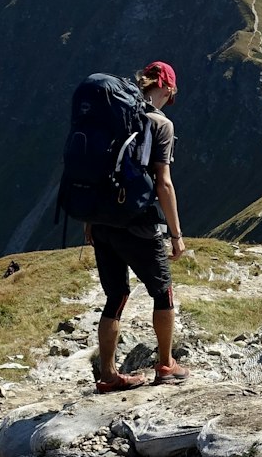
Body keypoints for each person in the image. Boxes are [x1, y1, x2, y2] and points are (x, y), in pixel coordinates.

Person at [86, 60, 189, 393]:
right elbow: (164, 183)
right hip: (138, 222)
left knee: (116, 296)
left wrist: (91, 218)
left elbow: (98, 169)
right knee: (163, 292)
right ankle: (166, 364)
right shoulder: (161, 124)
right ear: (168, 89)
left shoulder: (113, 117)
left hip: (101, 218)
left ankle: (107, 375)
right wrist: (175, 235)